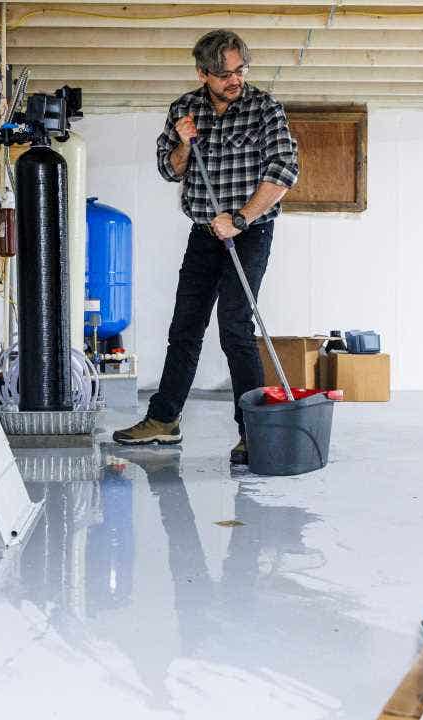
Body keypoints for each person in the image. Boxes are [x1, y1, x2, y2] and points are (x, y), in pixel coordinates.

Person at [111, 29, 300, 465]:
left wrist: (241, 218)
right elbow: (168, 169)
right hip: (204, 232)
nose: (234, 80)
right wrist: (183, 142)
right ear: (202, 73)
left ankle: (253, 431)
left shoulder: (263, 109)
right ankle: (163, 421)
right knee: (185, 327)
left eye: (239, 70)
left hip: (248, 231)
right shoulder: (185, 109)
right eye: (223, 74)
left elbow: (284, 170)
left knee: (235, 326)